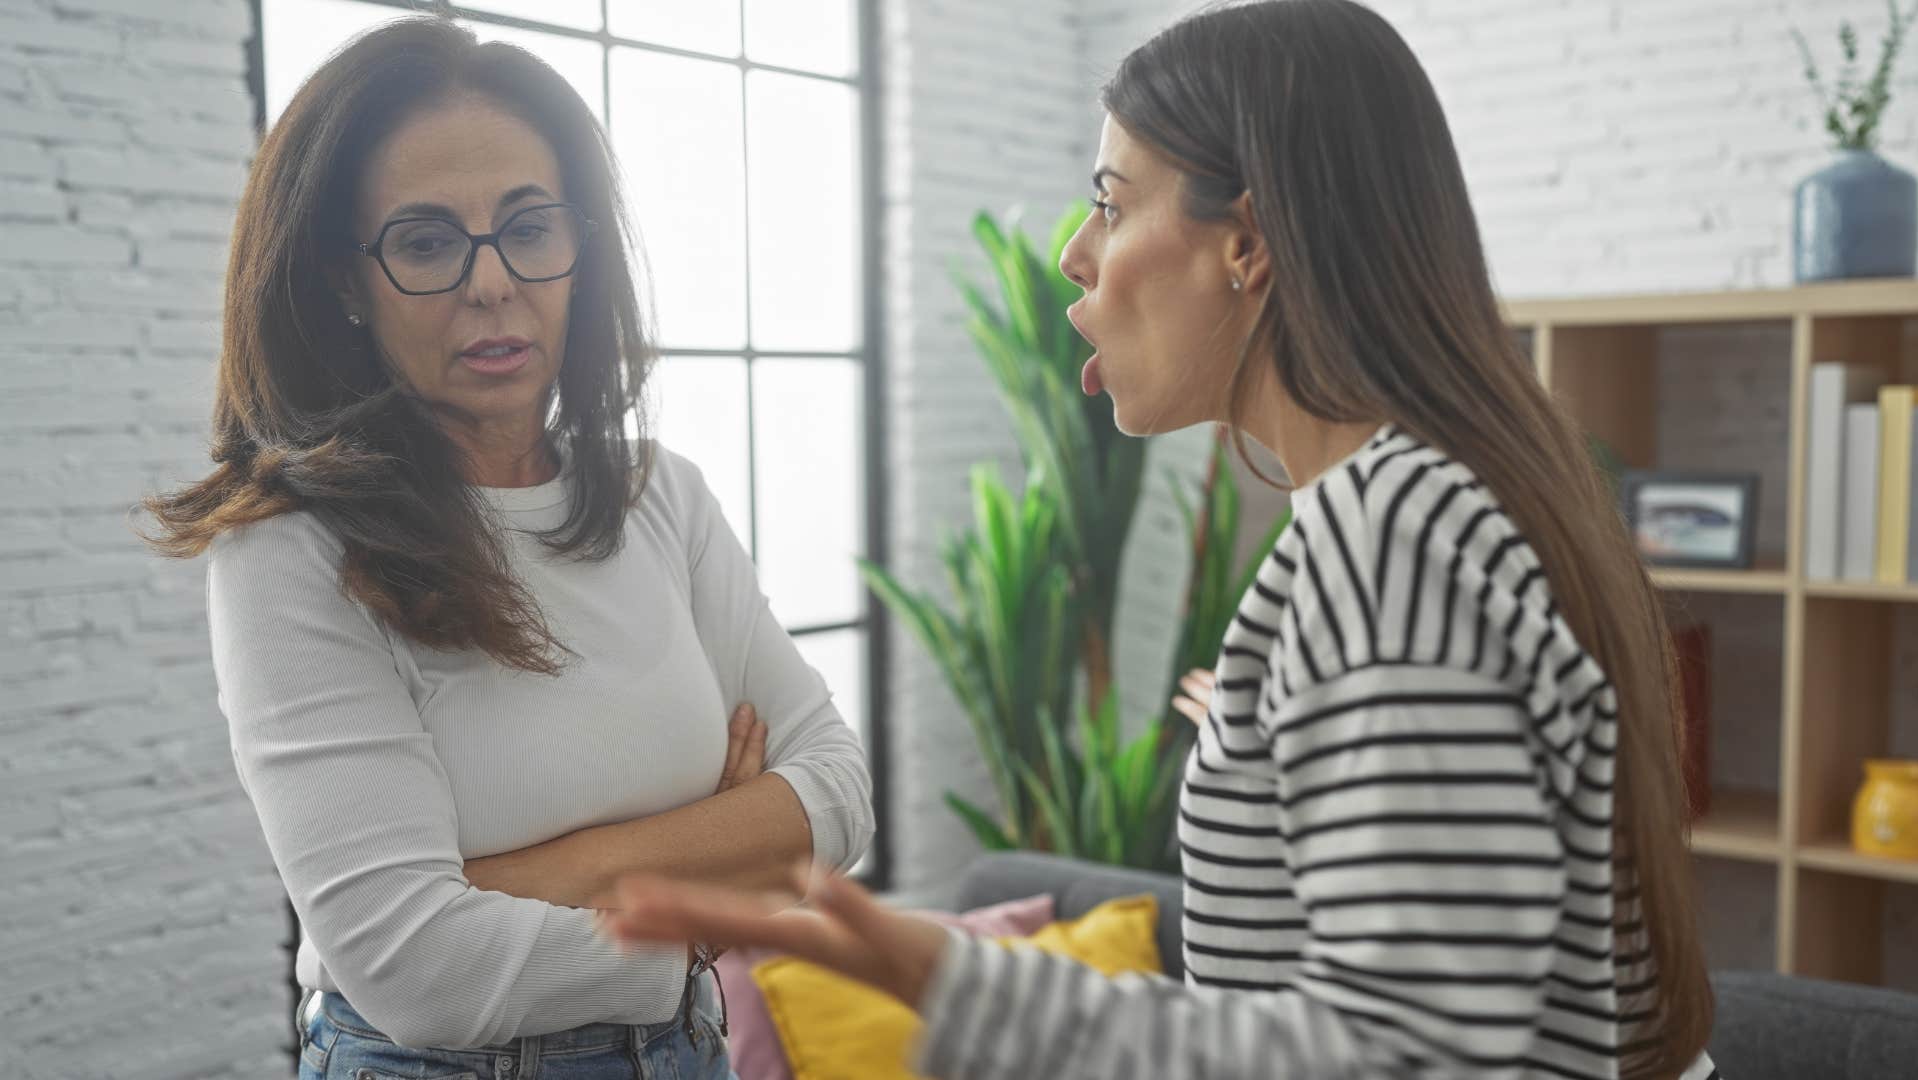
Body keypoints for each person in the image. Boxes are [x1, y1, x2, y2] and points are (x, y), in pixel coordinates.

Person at [596, 1, 1719, 1077]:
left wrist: (956, 981)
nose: (1077, 256)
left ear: (1250, 241)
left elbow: (1411, 1060)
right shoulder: (1424, 505)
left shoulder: (1391, 533)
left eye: (1115, 203)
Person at [142, 17, 872, 1080]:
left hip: (688, 1052)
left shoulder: (662, 494)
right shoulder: (291, 550)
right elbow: (415, 968)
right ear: (346, 282)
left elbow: (839, 792)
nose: (493, 282)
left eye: (530, 226)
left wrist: (537, 874)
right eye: (427, 242)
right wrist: (721, 870)